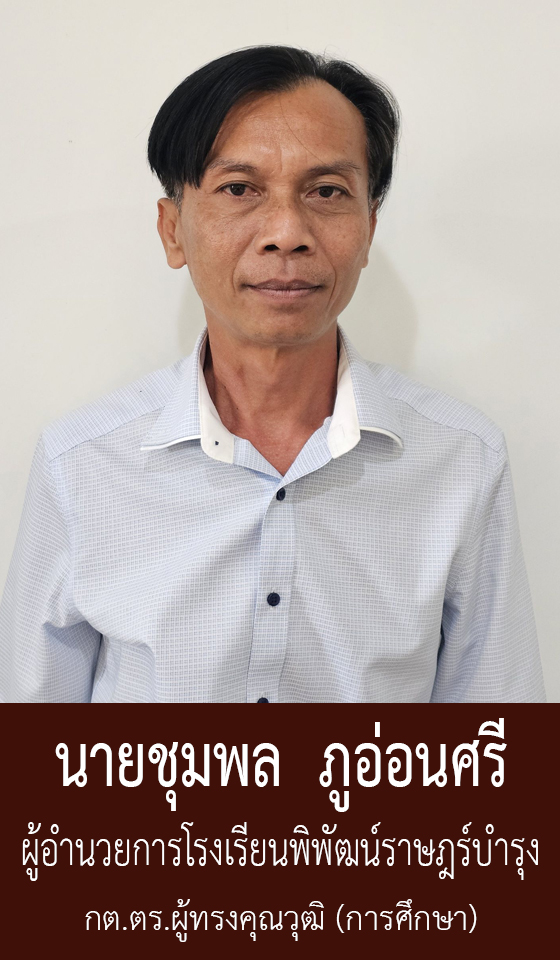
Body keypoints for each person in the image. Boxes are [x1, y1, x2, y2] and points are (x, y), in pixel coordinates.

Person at [0, 45, 545, 703]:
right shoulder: (82, 464)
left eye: (327, 191)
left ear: (369, 227)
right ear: (173, 230)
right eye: (239, 189)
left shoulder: (461, 461)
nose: (287, 232)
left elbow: (494, 740)